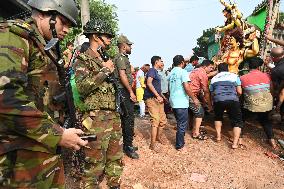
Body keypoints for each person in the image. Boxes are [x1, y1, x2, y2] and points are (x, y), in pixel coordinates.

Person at [0, 0, 88, 188]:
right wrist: (57, 134)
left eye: (69, 26)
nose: (66, 30)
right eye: (63, 22)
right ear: (42, 13)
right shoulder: (13, 35)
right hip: (18, 159)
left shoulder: (44, 45)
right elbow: (6, 98)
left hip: (43, 150)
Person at [73, 18, 122, 189]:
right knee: (93, 160)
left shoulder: (104, 58)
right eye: (107, 36)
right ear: (95, 36)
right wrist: (105, 70)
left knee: (115, 155)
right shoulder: (83, 59)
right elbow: (82, 87)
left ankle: (114, 184)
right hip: (94, 118)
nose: (109, 40)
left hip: (112, 115)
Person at [240, 57, 276, 148]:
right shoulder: (267, 76)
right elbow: (271, 90)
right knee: (265, 121)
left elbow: (240, 93)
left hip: (251, 106)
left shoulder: (242, 78)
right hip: (267, 105)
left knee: (241, 118)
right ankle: (272, 141)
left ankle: (239, 138)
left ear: (248, 67)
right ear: (259, 67)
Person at [113, 34, 139, 159]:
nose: (131, 47)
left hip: (124, 90)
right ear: (123, 46)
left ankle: (128, 144)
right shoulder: (121, 58)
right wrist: (131, 92)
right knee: (128, 119)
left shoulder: (123, 58)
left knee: (127, 119)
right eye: (129, 45)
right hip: (123, 91)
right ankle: (128, 147)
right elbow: (123, 76)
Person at [168, 55, 199, 151]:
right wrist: (194, 98)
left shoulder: (171, 73)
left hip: (173, 101)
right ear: (182, 62)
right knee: (182, 124)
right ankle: (180, 145)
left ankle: (180, 141)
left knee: (179, 123)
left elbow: (169, 88)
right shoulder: (183, 72)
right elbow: (186, 87)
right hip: (181, 101)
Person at [210, 63, 243, 149]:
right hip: (232, 99)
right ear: (228, 69)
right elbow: (239, 92)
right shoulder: (234, 76)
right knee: (237, 121)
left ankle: (218, 137)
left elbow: (212, 93)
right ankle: (235, 144)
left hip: (218, 100)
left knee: (218, 117)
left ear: (218, 69)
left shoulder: (214, 79)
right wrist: (236, 98)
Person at [144, 56, 168, 151]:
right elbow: (149, 83)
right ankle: (152, 144)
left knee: (162, 120)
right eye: (161, 61)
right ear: (156, 62)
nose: (162, 63)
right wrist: (158, 96)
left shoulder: (156, 73)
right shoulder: (152, 71)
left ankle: (158, 137)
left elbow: (156, 87)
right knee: (155, 120)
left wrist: (162, 96)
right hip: (151, 98)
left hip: (158, 98)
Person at [189, 60, 214, 140]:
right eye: (210, 67)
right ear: (204, 66)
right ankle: (196, 133)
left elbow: (199, 89)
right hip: (191, 95)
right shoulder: (202, 73)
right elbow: (206, 91)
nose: (211, 70)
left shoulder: (195, 70)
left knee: (196, 113)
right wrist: (209, 105)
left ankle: (195, 130)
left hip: (190, 94)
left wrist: (203, 101)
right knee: (200, 112)